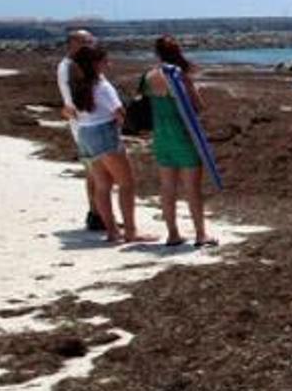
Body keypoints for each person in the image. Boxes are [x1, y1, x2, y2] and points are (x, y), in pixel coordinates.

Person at [69, 46, 154, 244]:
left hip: (85, 134)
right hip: (103, 133)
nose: (109, 64)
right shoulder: (102, 86)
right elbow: (119, 112)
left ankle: (112, 231)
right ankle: (131, 231)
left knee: (102, 185)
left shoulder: (78, 85)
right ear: (95, 64)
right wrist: (133, 130)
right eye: (105, 61)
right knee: (126, 183)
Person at [143, 36, 215, 246]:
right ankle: (201, 234)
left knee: (167, 187)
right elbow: (198, 106)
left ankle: (173, 233)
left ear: (157, 53)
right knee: (192, 188)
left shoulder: (149, 76)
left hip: (162, 136)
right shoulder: (179, 76)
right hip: (183, 136)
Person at [57, 30, 106, 231]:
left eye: (91, 40)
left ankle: (97, 213)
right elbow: (73, 100)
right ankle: (97, 214)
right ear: (72, 43)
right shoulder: (70, 66)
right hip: (86, 124)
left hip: (84, 123)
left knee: (94, 171)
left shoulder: (73, 65)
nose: (90, 44)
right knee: (95, 170)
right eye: (85, 41)